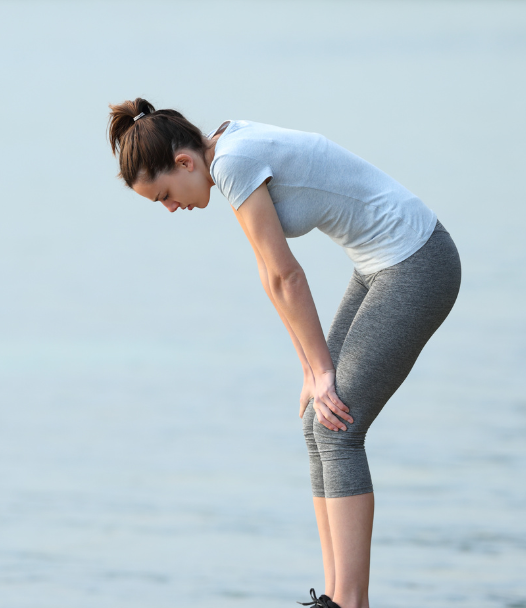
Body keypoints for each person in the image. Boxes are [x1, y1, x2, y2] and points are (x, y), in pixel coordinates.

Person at [106, 98, 461, 608]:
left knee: (339, 426)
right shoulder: (224, 151)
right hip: (379, 266)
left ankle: (350, 603)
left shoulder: (232, 162)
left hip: (417, 262)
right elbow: (270, 277)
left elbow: (286, 274)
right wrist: (308, 368)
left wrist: (322, 369)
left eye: (163, 195)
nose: (169, 209)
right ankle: (333, 596)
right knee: (317, 420)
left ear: (184, 163)